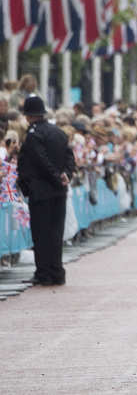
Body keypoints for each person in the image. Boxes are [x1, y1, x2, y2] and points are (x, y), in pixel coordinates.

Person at [17, 94, 76, 286]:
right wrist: (66, 174)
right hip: (60, 191)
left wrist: (56, 177)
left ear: (28, 115)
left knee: (41, 234)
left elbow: (40, 161)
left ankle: (44, 272)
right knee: (55, 233)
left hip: (42, 191)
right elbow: (70, 157)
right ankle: (57, 271)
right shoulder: (58, 132)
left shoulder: (34, 134)